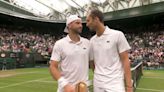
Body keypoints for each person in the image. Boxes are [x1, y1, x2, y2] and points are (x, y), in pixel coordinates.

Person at [86, 9, 133, 92]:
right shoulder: (92, 41)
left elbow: (125, 60)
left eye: (88, 20)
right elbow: (92, 63)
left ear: (96, 19)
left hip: (115, 83)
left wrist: (129, 86)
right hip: (98, 84)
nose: (87, 24)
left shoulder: (117, 35)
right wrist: (99, 75)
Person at [49, 15, 90, 92]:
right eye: (77, 23)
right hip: (65, 89)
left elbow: (94, 63)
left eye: (81, 23)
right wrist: (64, 84)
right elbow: (53, 67)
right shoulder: (60, 44)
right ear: (69, 25)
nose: (81, 26)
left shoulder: (87, 43)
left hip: (83, 89)